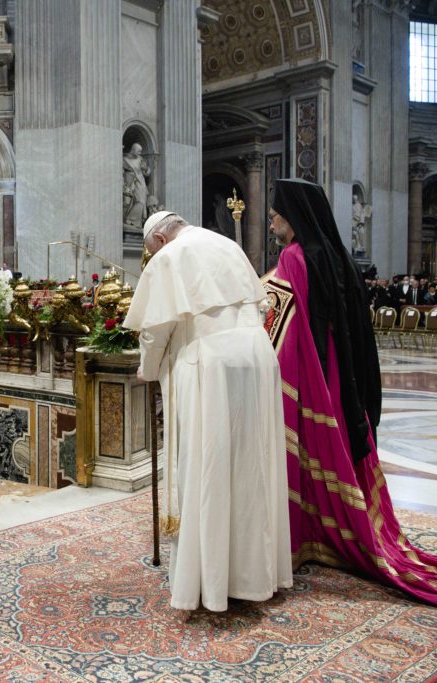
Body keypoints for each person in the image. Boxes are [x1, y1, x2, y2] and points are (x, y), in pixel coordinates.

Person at [262, 177, 437, 621]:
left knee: (305, 457)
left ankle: (309, 536)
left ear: (292, 216)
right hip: (342, 382)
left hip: (312, 379)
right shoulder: (336, 257)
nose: (271, 226)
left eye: (273, 217)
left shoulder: (294, 257)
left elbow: (282, 327)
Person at [123, 210, 291, 613]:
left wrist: (147, 369)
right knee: (253, 465)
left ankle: (212, 581)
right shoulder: (228, 245)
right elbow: (262, 305)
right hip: (257, 358)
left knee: (209, 463)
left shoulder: (170, 256)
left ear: (159, 241)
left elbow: (155, 328)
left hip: (210, 362)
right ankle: (253, 575)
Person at [122, 143, 150, 229]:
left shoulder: (140, 159)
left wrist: (145, 168)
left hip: (141, 183)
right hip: (131, 185)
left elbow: (147, 172)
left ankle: (135, 222)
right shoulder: (125, 160)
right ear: (133, 150)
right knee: (134, 202)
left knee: (142, 202)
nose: (140, 153)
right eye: (139, 151)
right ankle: (129, 220)